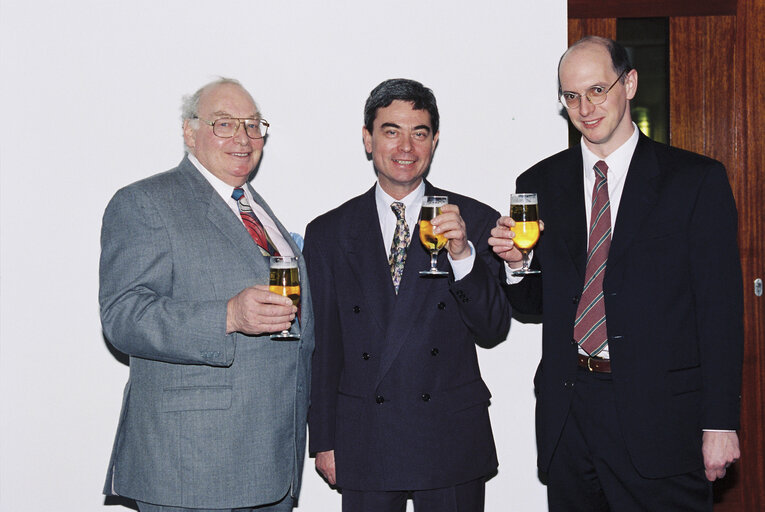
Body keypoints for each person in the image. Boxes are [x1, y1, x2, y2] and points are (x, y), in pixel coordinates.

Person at [489, 36, 744, 511]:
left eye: (598, 90)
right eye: (571, 97)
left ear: (629, 84)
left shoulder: (694, 180)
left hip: (662, 418)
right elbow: (532, 308)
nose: (585, 108)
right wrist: (518, 265)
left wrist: (719, 422)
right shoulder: (539, 184)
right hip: (570, 414)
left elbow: (720, 311)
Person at [99, 78, 314, 512]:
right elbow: (123, 316)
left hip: (273, 461)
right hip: (192, 466)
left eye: (253, 125)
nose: (243, 137)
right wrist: (227, 317)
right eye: (224, 123)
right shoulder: (144, 202)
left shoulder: (256, 207)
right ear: (189, 131)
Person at [303, 78, 511, 512]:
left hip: (450, 436)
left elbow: (493, 328)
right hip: (365, 437)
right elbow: (323, 346)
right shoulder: (329, 232)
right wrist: (324, 439)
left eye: (419, 133)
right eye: (391, 131)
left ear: (434, 141)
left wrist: (463, 256)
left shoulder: (474, 218)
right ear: (368, 138)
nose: (406, 147)